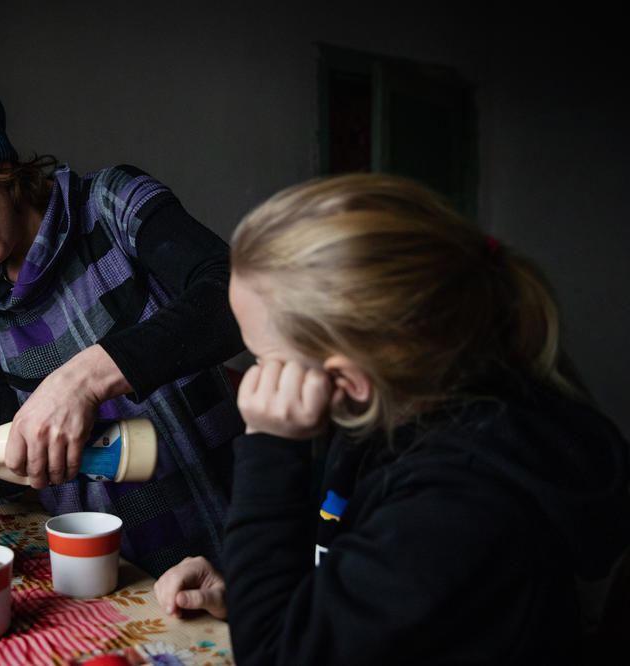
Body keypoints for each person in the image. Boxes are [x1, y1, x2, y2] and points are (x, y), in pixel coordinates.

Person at [154, 173, 630, 663]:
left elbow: (280, 656)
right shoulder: (388, 417)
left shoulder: (459, 503)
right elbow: (371, 597)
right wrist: (252, 595)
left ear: (348, 379)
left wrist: (271, 447)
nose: (256, 375)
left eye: (263, 358)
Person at [0, 65, 245, 577]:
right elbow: (22, 466)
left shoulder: (112, 204)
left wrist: (84, 379)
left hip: (233, 545)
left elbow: (237, 296)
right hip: (108, 580)